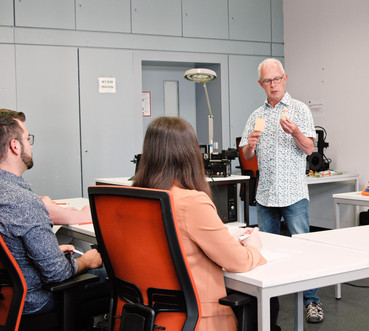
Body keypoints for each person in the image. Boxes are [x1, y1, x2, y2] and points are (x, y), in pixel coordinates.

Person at [132, 116, 267, 331]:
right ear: (190, 155)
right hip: (195, 316)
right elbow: (238, 262)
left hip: (146, 314)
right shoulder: (191, 202)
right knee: (269, 305)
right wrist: (253, 246)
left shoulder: (136, 197)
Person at [0, 109, 108, 322]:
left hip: (6, 302)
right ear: (15, 146)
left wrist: (49, 253)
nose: (30, 144)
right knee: (112, 277)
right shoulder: (23, 201)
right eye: (27, 138)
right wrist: (86, 260)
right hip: (34, 303)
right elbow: (57, 275)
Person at [239, 58, 324, 323]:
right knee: (265, 251)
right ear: (260, 84)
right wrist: (250, 146)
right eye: (268, 81)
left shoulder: (299, 110)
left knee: (303, 248)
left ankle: (312, 301)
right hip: (266, 194)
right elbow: (246, 156)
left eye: (277, 79)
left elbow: (310, 149)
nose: (273, 85)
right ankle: (269, 301)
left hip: (294, 193)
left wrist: (297, 132)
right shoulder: (256, 115)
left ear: (285, 79)